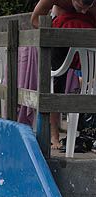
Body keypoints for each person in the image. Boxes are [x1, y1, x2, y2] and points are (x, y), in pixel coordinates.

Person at [31, 0, 96, 149]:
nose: (84, 11)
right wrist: (52, 35)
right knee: (56, 84)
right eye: (81, 7)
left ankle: (88, 130)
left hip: (86, 36)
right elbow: (34, 20)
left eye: (89, 7)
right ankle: (54, 135)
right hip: (59, 33)